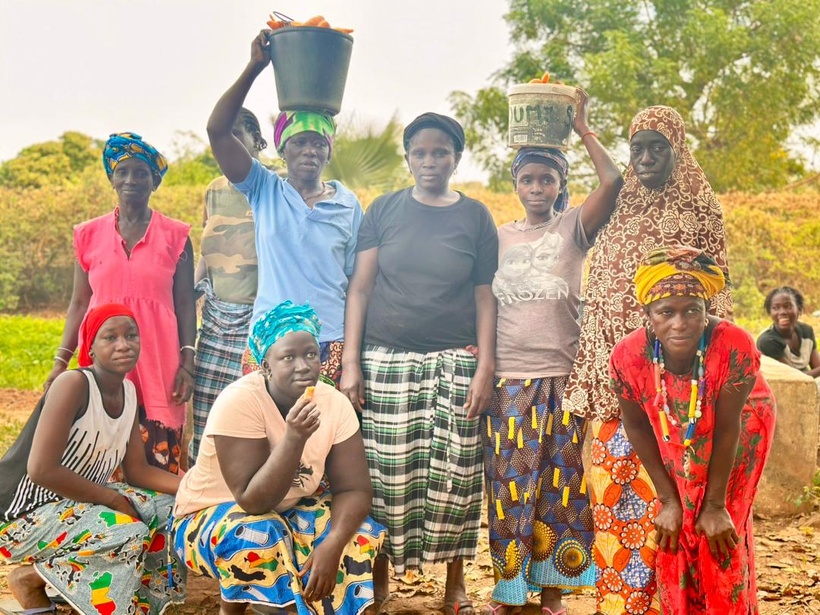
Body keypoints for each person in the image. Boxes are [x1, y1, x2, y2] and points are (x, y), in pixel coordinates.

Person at [561, 106, 732, 615]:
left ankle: (673, 602)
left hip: (677, 393)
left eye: (658, 146)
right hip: (615, 389)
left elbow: (717, 296)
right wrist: (584, 127)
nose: (647, 157)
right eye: (638, 148)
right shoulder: (619, 202)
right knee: (615, 497)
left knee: (673, 502)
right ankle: (620, 603)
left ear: (677, 149)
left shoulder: (701, 208)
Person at [341, 112, 498, 615]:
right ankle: (380, 582)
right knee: (386, 475)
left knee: (456, 473)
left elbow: (485, 297)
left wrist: (485, 368)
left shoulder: (475, 217)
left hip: (455, 360)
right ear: (408, 157)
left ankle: (455, 585)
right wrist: (351, 362)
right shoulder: (384, 210)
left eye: (441, 152)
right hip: (386, 358)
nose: (430, 161)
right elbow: (360, 288)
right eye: (421, 152)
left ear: (457, 157)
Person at [483, 89, 623, 615]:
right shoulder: (499, 236)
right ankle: (508, 590)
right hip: (510, 381)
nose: (536, 187)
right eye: (527, 179)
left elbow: (613, 181)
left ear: (561, 184)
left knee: (560, 486)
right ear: (516, 184)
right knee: (509, 488)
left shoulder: (573, 230)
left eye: (546, 179)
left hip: (563, 379)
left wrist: (584, 129)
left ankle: (553, 593)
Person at [172, 301, 384, 615]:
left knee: (359, 532)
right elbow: (253, 500)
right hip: (207, 517)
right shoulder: (241, 401)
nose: (304, 366)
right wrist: (294, 438)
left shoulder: (334, 404)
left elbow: (354, 489)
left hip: (286, 511)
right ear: (266, 366)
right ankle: (269, 609)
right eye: (288, 357)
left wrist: (333, 542)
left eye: (311, 354)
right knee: (262, 533)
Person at [610, 247, 775, 614]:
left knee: (719, 525)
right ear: (648, 316)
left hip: (743, 423)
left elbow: (728, 425)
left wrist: (715, 503)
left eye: (692, 311)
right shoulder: (629, 356)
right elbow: (635, 424)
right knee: (680, 519)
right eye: (666, 312)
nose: (680, 323)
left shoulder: (734, 345)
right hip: (671, 421)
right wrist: (669, 499)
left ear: (706, 312)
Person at [0, 304, 186, 614]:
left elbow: (137, 471)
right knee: (127, 532)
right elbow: (41, 470)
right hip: (24, 515)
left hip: (77, 504)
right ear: (91, 348)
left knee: (171, 510)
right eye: (109, 337)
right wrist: (112, 501)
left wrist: (193, 486)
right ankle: (32, 580)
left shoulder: (128, 391)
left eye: (131, 335)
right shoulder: (73, 385)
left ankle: (140, 604)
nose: (123, 344)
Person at [207, 30, 363, 387]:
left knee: (322, 437)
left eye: (318, 143)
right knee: (265, 437)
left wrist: (350, 359)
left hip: (328, 342)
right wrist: (254, 68)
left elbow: (357, 285)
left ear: (329, 150)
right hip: (270, 338)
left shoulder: (347, 204)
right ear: (282, 149)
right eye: (300, 142)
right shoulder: (264, 189)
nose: (310, 151)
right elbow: (217, 130)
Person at [44, 132, 196, 474]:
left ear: (154, 181)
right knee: (100, 459)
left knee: (157, 462)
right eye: (123, 171)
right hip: (104, 361)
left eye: (142, 173)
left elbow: (186, 304)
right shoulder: (88, 235)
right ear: (112, 177)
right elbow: (79, 303)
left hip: (158, 360)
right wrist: (60, 361)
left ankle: (156, 523)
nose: (131, 180)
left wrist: (187, 362)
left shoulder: (177, 236)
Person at [190, 107, 266, 464]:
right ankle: (204, 493)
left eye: (238, 133)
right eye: (225, 135)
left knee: (251, 415)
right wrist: (191, 293)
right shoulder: (214, 190)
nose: (230, 142)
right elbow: (209, 249)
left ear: (257, 139)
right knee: (206, 416)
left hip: (257, 321)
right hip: (216, 320)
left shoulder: (275, 185)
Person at [757, 286, 820, 380]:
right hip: (781, 387)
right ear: (770, 313)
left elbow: (817, 367)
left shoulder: (806, 331)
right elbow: (795, 378)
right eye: (775, 308)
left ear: (798, 309)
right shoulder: (767, 341)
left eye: (788, 306)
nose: (782, 312)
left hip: (807, 382)